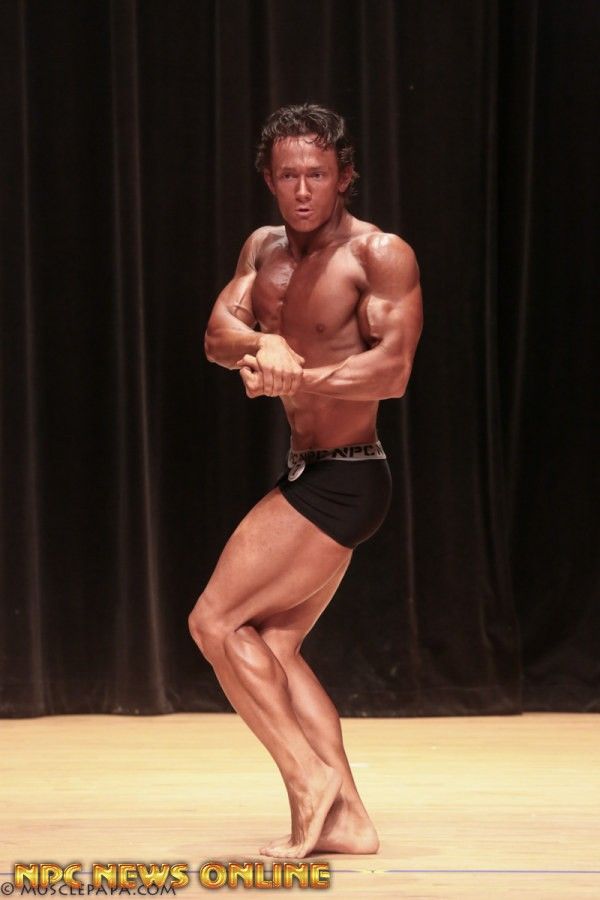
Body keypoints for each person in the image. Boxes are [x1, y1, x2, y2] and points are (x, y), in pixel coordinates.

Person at [188, 103, 423, 859]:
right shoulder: (262, 250)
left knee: (214, 623)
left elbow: (392, 371)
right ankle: (348, 820)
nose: (301, 189)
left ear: (344, 176)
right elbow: (217, 336)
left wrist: (301, 375)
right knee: (274, 649)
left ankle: (306, 777)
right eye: (288, 174)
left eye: (317, 174)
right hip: (311, 471)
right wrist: (261, 345)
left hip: (348, 477)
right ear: (269, 178)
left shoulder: (378, 254)